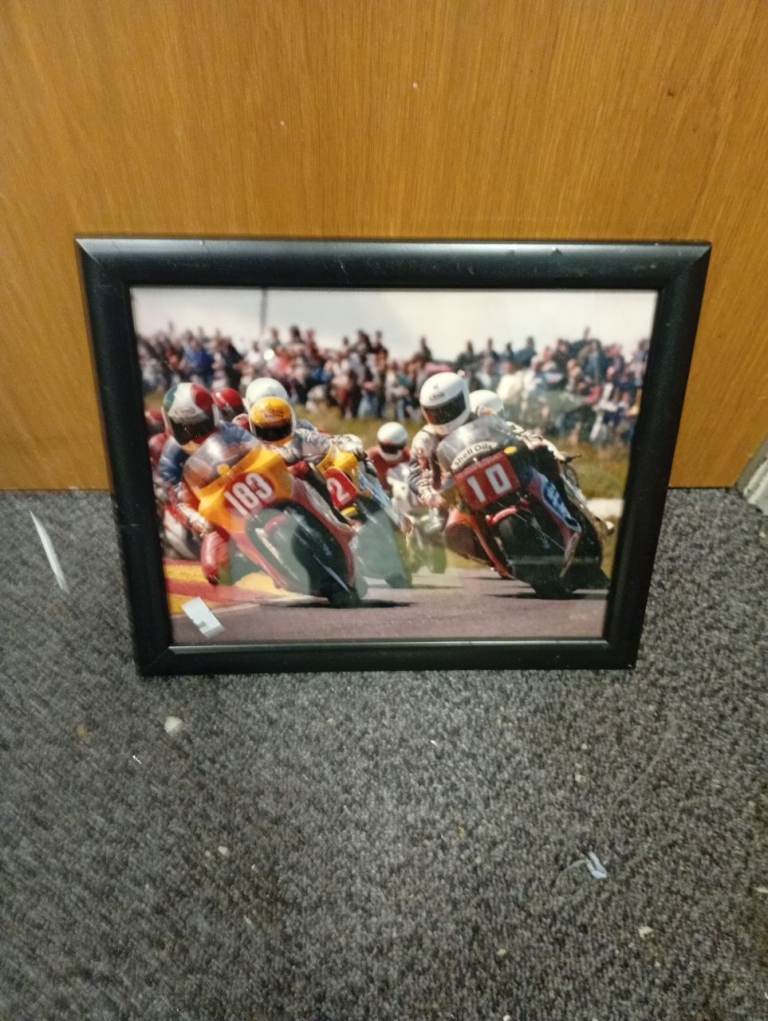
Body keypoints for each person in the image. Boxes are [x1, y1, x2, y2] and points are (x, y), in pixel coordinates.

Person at [409, 372, 582, 570]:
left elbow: (512, 430)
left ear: (465, 399)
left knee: (543, 456)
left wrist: (532, 441)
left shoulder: (482, 413)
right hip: (460, 492)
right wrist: (431, 495)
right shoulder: (423, 440)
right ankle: (492, 557)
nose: (443, 417)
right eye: (435, 413)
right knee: (449, 531)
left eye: (449, 409)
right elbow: (416, 474)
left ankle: (568, 515)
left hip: (505, 469)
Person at [366, 422, 410, 491]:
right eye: (385, 447)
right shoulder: (370, 458)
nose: (389, 451)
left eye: (392, 449)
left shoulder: (409, 457)